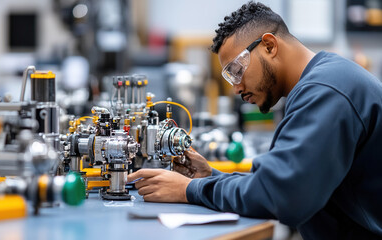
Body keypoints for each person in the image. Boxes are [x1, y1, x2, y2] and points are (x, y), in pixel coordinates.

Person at [127, 1, 382, 239]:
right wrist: (208, 178)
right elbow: (274, 182)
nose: (236, 89)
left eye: (236, 71)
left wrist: (187, 191)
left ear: (269, 46)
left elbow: (282, 197)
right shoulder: (323, 81)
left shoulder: (327, 90)